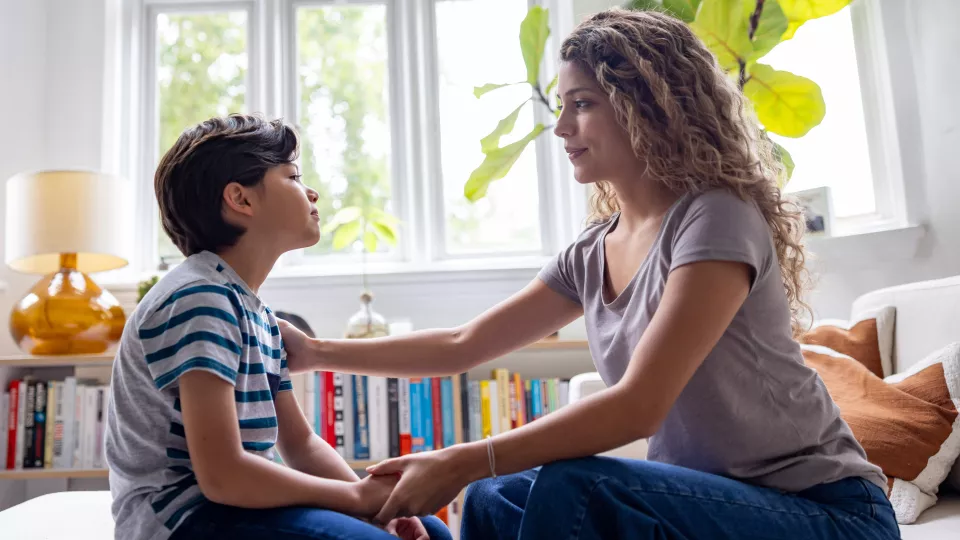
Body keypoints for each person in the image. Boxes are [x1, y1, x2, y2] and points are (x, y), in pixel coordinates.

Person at [278, 9, 901, 540]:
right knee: (494, 497)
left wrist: (461, 459)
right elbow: (463, 345)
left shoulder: (716, 217)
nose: (561, 128)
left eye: (582, 105)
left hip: (828, 511)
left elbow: (638, 408)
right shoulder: (591, 252)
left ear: (648, 109)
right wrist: (313, 352)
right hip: (712, 502)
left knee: (578, 485)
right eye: (562, 106)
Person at [104, 114, 450, 540]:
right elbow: (223, 476)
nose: (312, 191)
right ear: (240, 199)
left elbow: (300, 444)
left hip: (232, 505)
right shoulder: (199, 298)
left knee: (428, 528)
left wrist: (379, 507)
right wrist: (358, 500)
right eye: (292, 176)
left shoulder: (256, 313)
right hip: (185, 517)